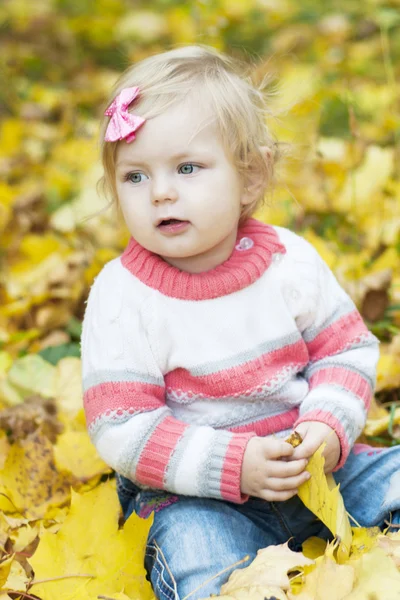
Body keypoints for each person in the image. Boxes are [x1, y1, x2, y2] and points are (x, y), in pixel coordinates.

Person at [81, 45, 400, 600]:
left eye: (187, 168)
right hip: (196, 498)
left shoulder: (288, 263)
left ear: (250, 177)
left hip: (315, 475)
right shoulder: (123, 296)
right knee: (193, 555)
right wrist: (230, 464)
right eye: (135, 176)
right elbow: (122, 424)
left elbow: (344, 350)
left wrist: (327, 426)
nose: (161, 191)